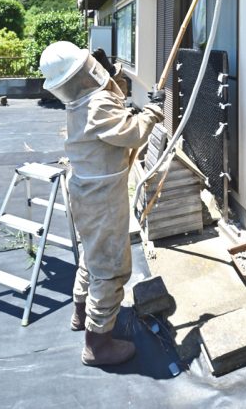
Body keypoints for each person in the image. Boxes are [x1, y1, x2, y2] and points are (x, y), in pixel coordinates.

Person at [39, 41, 164, 366]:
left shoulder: (79, 104)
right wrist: (152, 111)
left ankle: (81, 313)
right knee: (110, 266)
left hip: (85, 189)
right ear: (84, 72)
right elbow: (132, 134)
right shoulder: (96, 104)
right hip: (103, 197)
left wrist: (124, 100)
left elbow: (113, 120)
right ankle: (97, 344)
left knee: (92, 256)